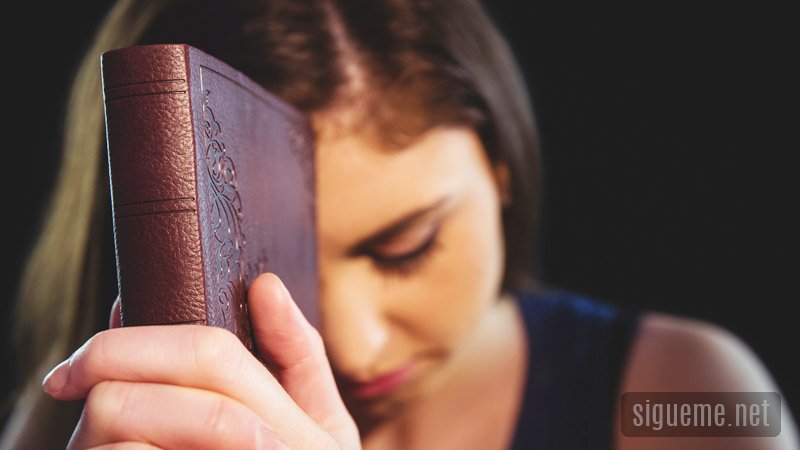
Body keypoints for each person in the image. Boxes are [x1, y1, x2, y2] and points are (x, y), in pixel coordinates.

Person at [1, 0, 797, 448]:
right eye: (272, 276)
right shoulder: (81, 423)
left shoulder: (696, 394)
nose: (354, 343)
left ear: (502, 169)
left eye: (407, 248)